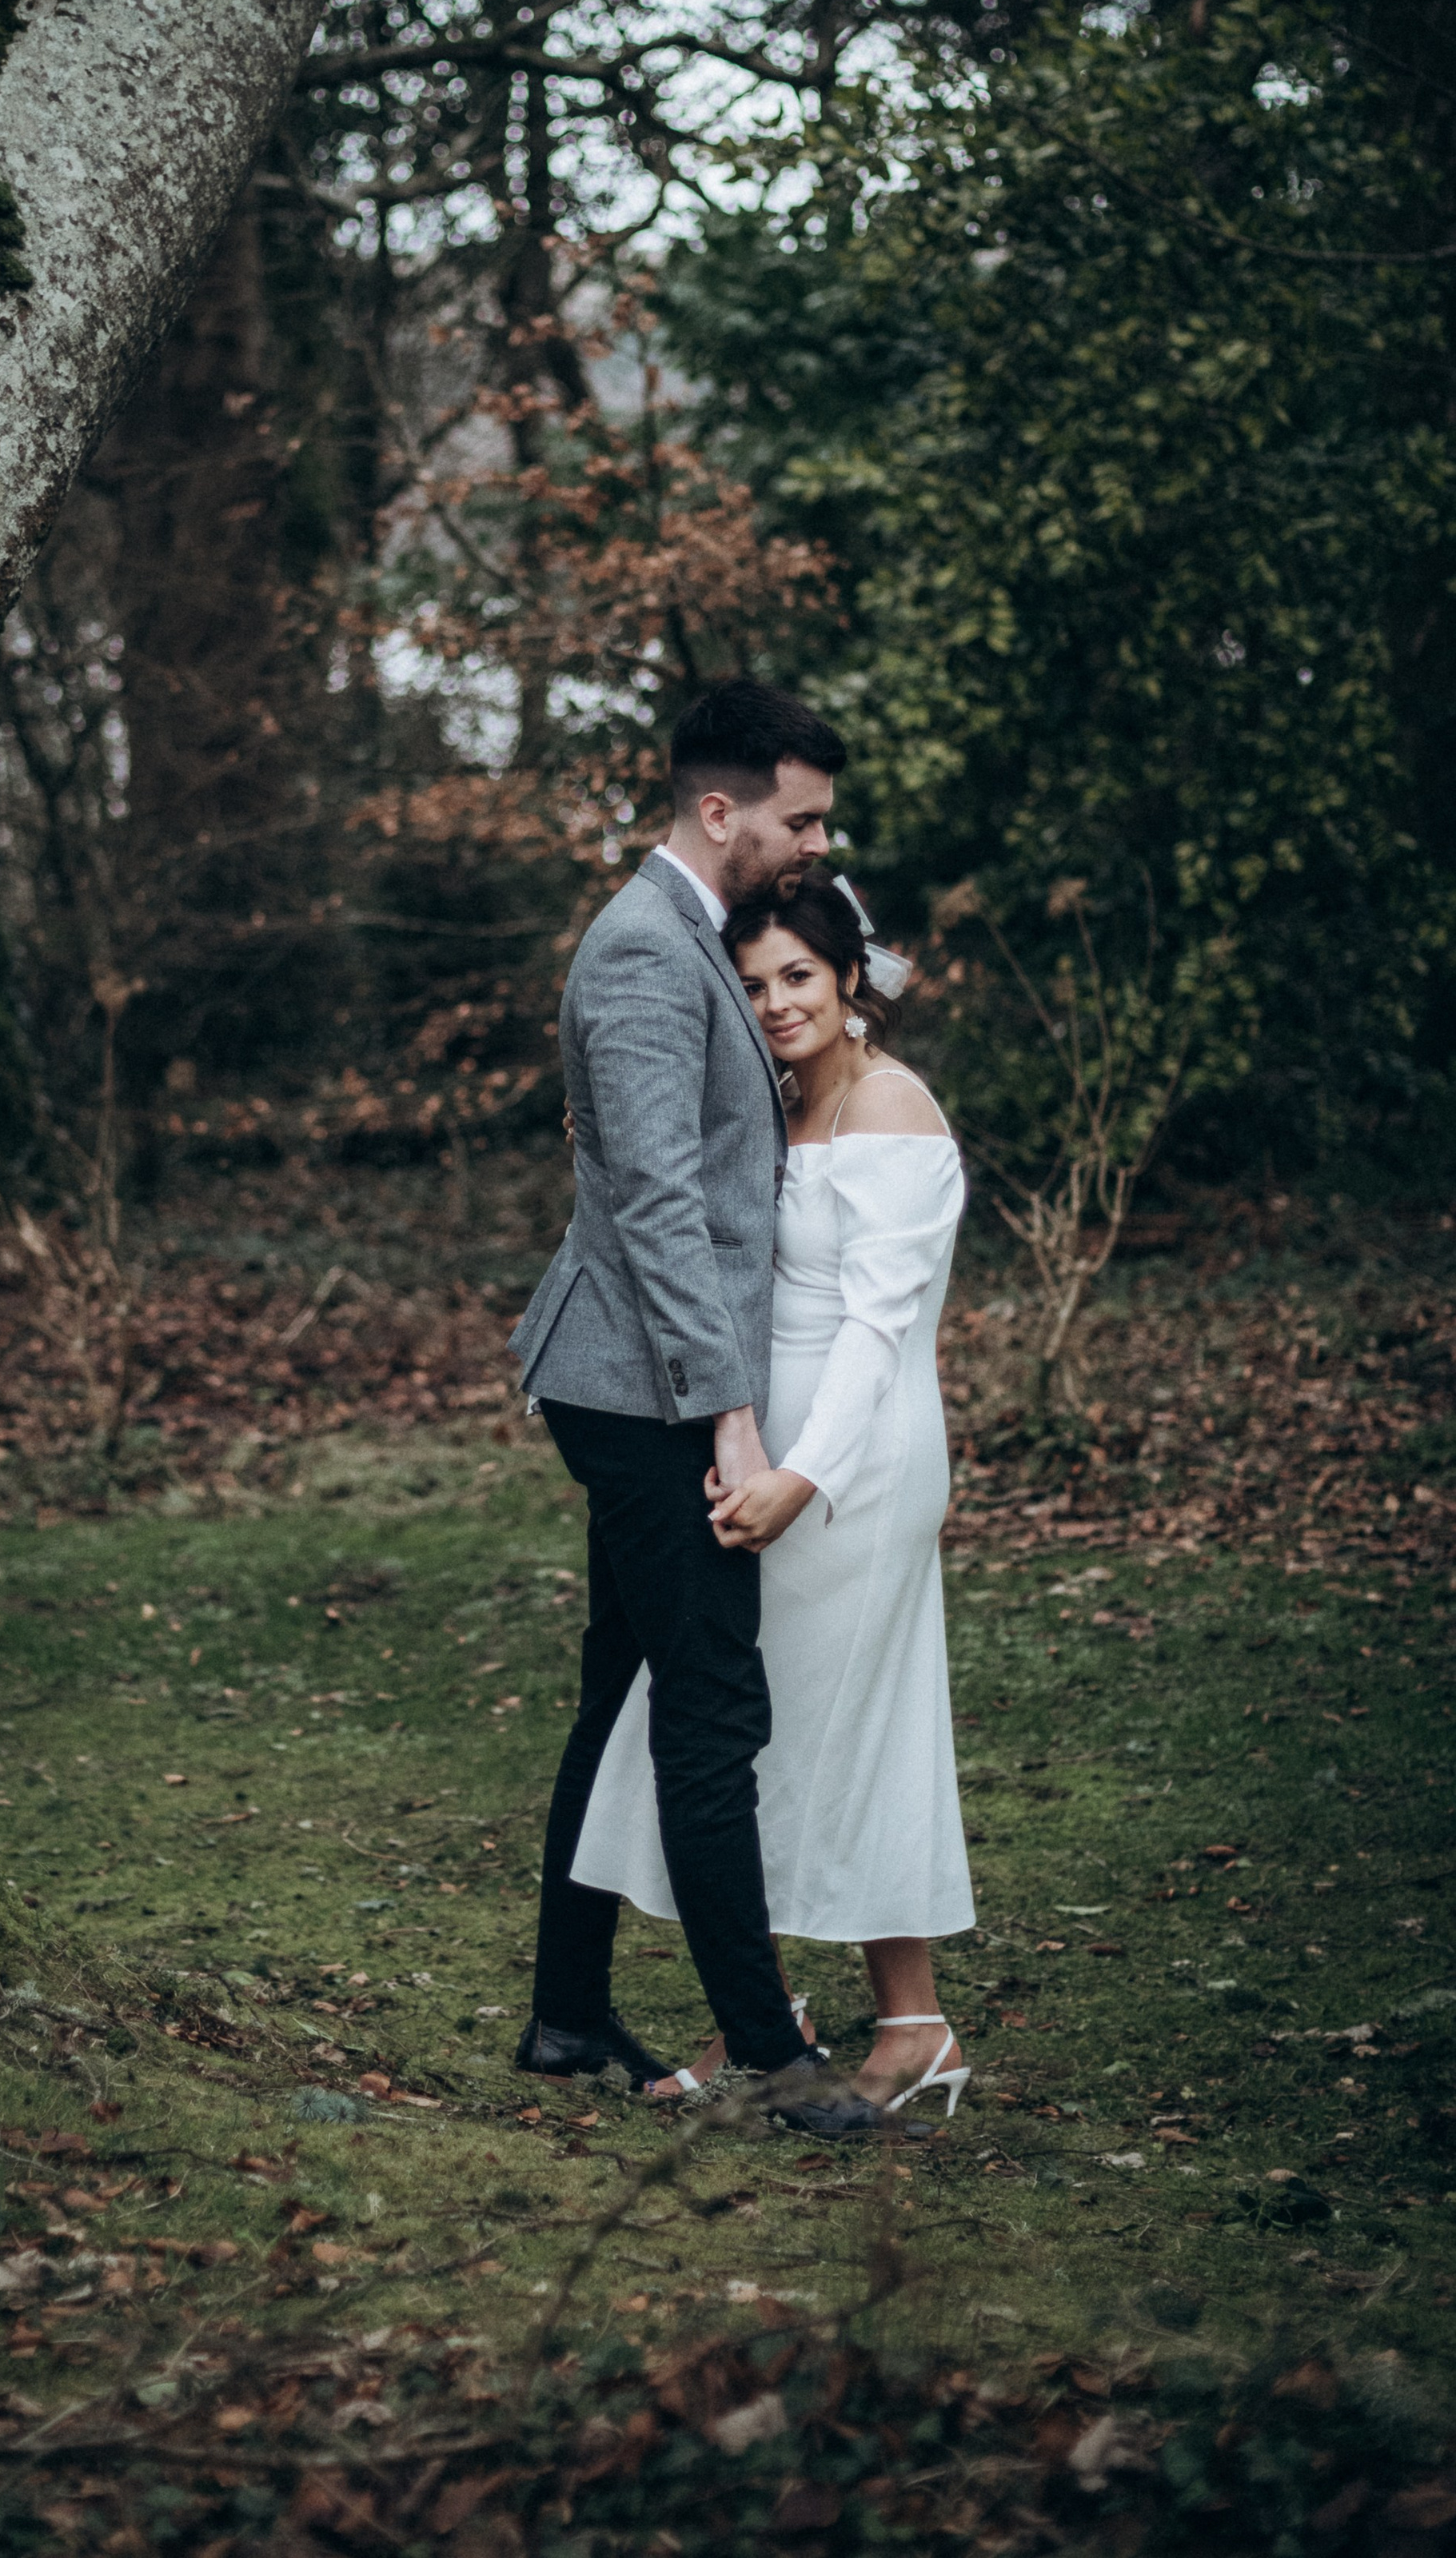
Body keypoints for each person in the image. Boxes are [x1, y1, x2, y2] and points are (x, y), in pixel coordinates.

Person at [507, 678, 888, 2140]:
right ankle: (774, 2057)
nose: (817, 843)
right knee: (713, 1701)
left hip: (641, 1377)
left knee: (623, 1695)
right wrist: (727, 1419)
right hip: (643, 1391)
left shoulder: (685, 937)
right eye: (801, 818)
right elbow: (661, 1208)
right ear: (718, 811)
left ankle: (564, 2012)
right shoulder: (642, 957)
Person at [572, 872, 975, 2118]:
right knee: (766, 1726)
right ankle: (777, 2012)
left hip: (853, 1460)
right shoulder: (782, 1101)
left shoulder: (893, 1108)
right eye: (750, 985)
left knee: (839, 1722)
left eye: (798, 975)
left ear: (852, 980)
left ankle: (907, 2025)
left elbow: (877, 1327)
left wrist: (806, 1474)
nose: (775, 1002)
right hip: (767, 1446)